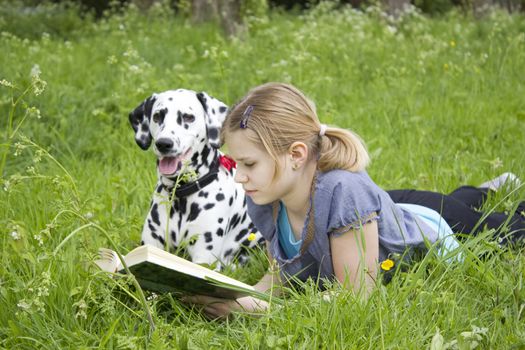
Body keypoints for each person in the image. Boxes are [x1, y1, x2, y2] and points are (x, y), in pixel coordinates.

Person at [185, 82, 525, 319]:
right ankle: (482, 189)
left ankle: (485, 196)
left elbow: (356, 296)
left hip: (435, 228)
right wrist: (236, 298)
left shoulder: (346, 193)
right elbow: (279, 275)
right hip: (383, 210)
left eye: (248, 164)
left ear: (296, 155)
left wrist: (260, 312)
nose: (238, 176)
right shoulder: (265, 194)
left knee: (509, 230)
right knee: (454, 199)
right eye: (235, 163)